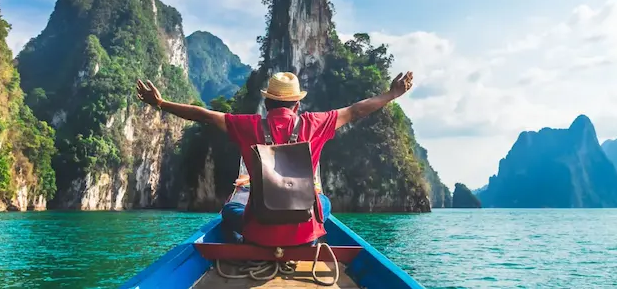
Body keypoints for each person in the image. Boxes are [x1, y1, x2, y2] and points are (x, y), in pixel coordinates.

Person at [136, 70, 413, 247]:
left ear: (266, 103)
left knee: (229, 210)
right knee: (323, 201)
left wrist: (161, 103)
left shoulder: (247, 126)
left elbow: (205, 115)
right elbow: (355, 111)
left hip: (259, 233)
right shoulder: (315, 123)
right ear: (297, 104)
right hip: (304, 234)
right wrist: (392, 94)